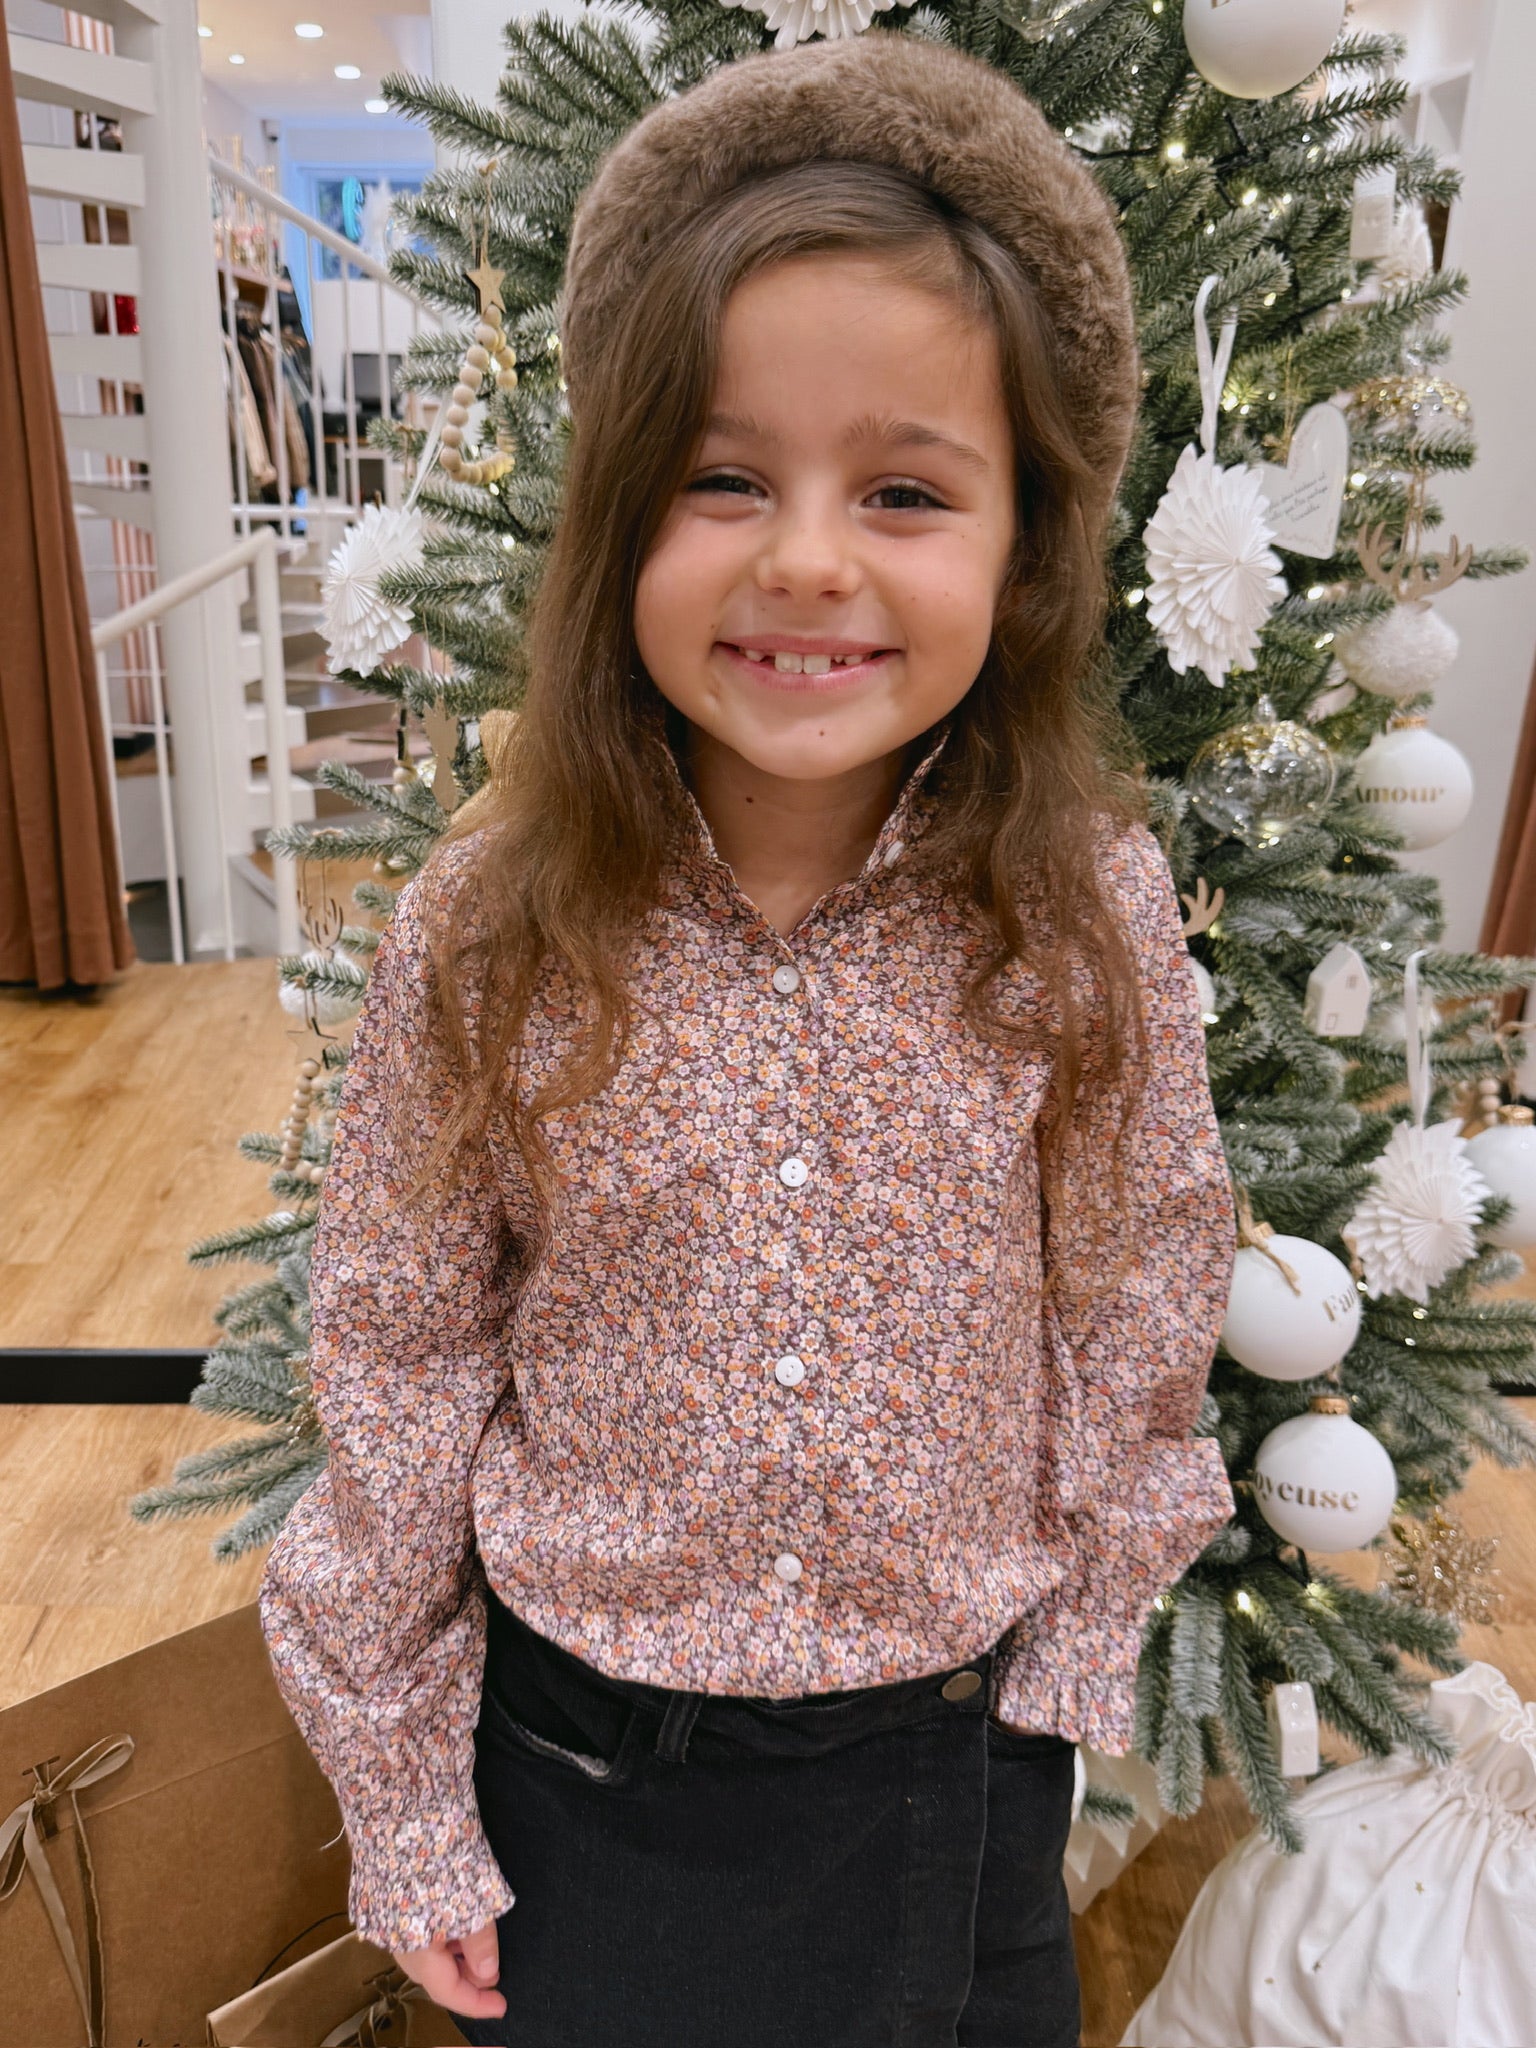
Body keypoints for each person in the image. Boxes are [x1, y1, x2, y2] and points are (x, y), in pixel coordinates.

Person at [258, 33, 1238, 2048]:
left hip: (947, 1769)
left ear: (1025, 548)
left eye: (904, 490)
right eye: (724, 478)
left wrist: (1066, 1674)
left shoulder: (1087, 910)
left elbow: (1141, 1284)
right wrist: (408, 1805)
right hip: (584, 1784)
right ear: (620, 518)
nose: (806, 557)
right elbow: (399, 1350)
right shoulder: (491, 927)